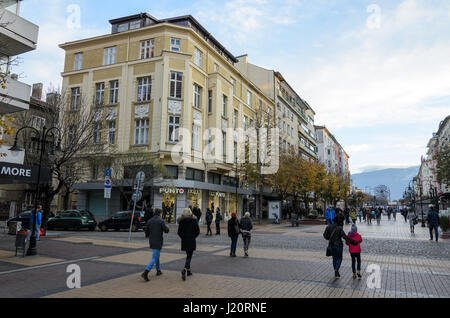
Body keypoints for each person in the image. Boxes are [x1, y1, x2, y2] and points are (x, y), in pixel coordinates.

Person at [141, 209, 169, 282]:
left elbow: (146, 232)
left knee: (157, 255)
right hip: (158, 240)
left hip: (152, 240)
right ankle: (146, 271)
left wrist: (148, 235)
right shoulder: (161, 220)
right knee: (155, 257)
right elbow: (166, 230)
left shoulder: (150, 220)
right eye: (161, 213)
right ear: (160, 213)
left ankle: (158, 270)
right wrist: (167, 227)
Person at [177, 208, 200, 280]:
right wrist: (194, 236)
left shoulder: (181, 221)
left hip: (184, 240)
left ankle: (188, 271)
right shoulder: (194, 220)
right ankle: (185, 269)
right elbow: (197, 231)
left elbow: (179, 232)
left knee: (188, 255)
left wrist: (183, 237)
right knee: (189, 256)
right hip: (191, 240)